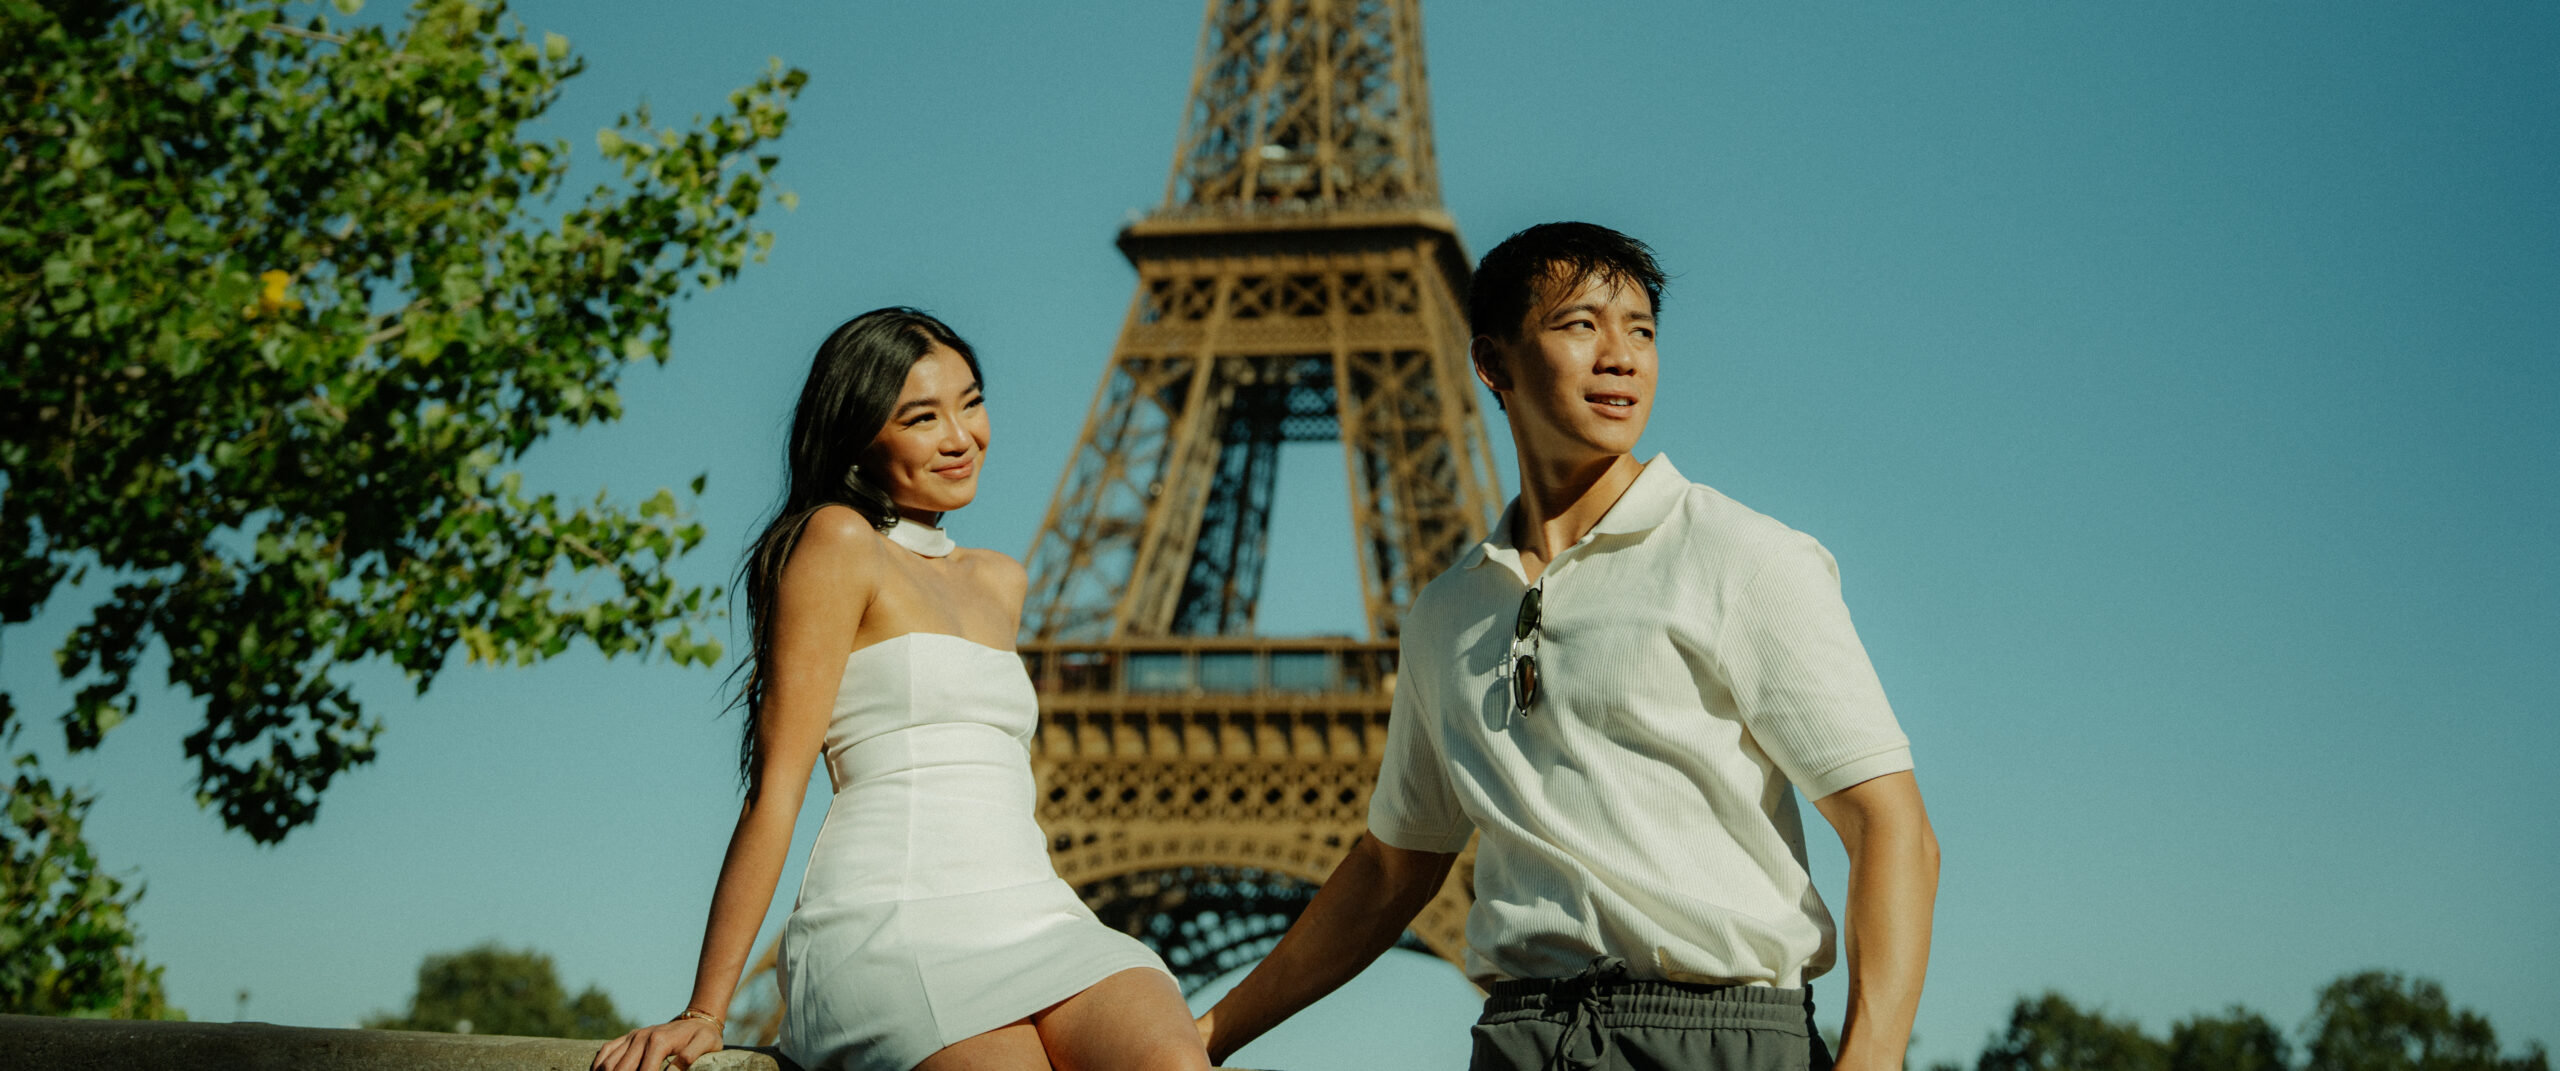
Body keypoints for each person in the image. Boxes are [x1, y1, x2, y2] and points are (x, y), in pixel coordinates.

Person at [1194, 224, 1942, 1071]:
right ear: (1493, 362)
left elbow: (1893, 827)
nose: (1621, 355)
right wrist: (1205, 1038)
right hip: (1524, 1041)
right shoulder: (1447, 613)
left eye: (1642, 330)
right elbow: (1387, 870)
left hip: (1717, 1038)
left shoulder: (1741, 556)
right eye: (1582, 324)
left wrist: (1870, 1061)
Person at [592, 308, 1209, 1071]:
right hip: (897, 921)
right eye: (922, 417)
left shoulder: (1000, 580)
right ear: (860, 435)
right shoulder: (840, 543)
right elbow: (777, 787)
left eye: (971, 402)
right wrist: (705, 1008)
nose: (961, 436)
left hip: (1037, 911)